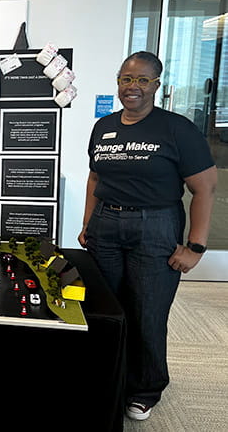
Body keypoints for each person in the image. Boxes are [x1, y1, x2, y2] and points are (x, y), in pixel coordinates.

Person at [78, 51, 217, 421]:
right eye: (126, 78)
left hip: (154, 227)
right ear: (118, 82)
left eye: (142, 80)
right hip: (106, 225)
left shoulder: (177, 128)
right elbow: (95, 178)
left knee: (148, 313)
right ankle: (112, 378)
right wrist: (88, 223)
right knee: (107, 309)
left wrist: (196, 247)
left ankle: (145, 389)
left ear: (156, 85)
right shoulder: (103, 126)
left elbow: (205, 189)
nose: (132, 87)